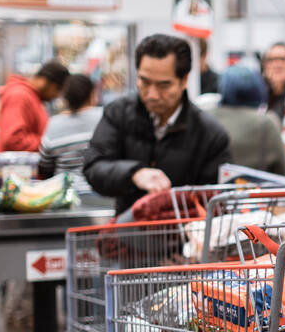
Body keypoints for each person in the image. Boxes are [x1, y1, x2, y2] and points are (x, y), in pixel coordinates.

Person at [84, 33, 231, 216]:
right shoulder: (118, 113)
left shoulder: (209, 134)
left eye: (163, 85)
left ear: (184, 81)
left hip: (185, 238)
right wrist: (134, 174)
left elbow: (215, 199)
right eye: (144, 82)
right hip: (127, 234)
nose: (152, 94)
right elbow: (94, 167)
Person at [210, 65, 285, 176]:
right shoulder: (266, 123)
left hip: (211, 191)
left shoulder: (207, 117)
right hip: (255, 190)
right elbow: (282, 170)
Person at [38, 74, 102, 191]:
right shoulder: (104, 117)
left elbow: (45, 165)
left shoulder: (53, 124)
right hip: (100, 193)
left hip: (64, 195)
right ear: (92, 94)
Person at [0, 61, 69, 153]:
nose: (56, 95)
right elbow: (13, 140)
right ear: (45, 81)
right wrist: (50, 143)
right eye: (57, 90)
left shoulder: (32, 97)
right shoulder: (19, 96)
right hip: (17, 166)